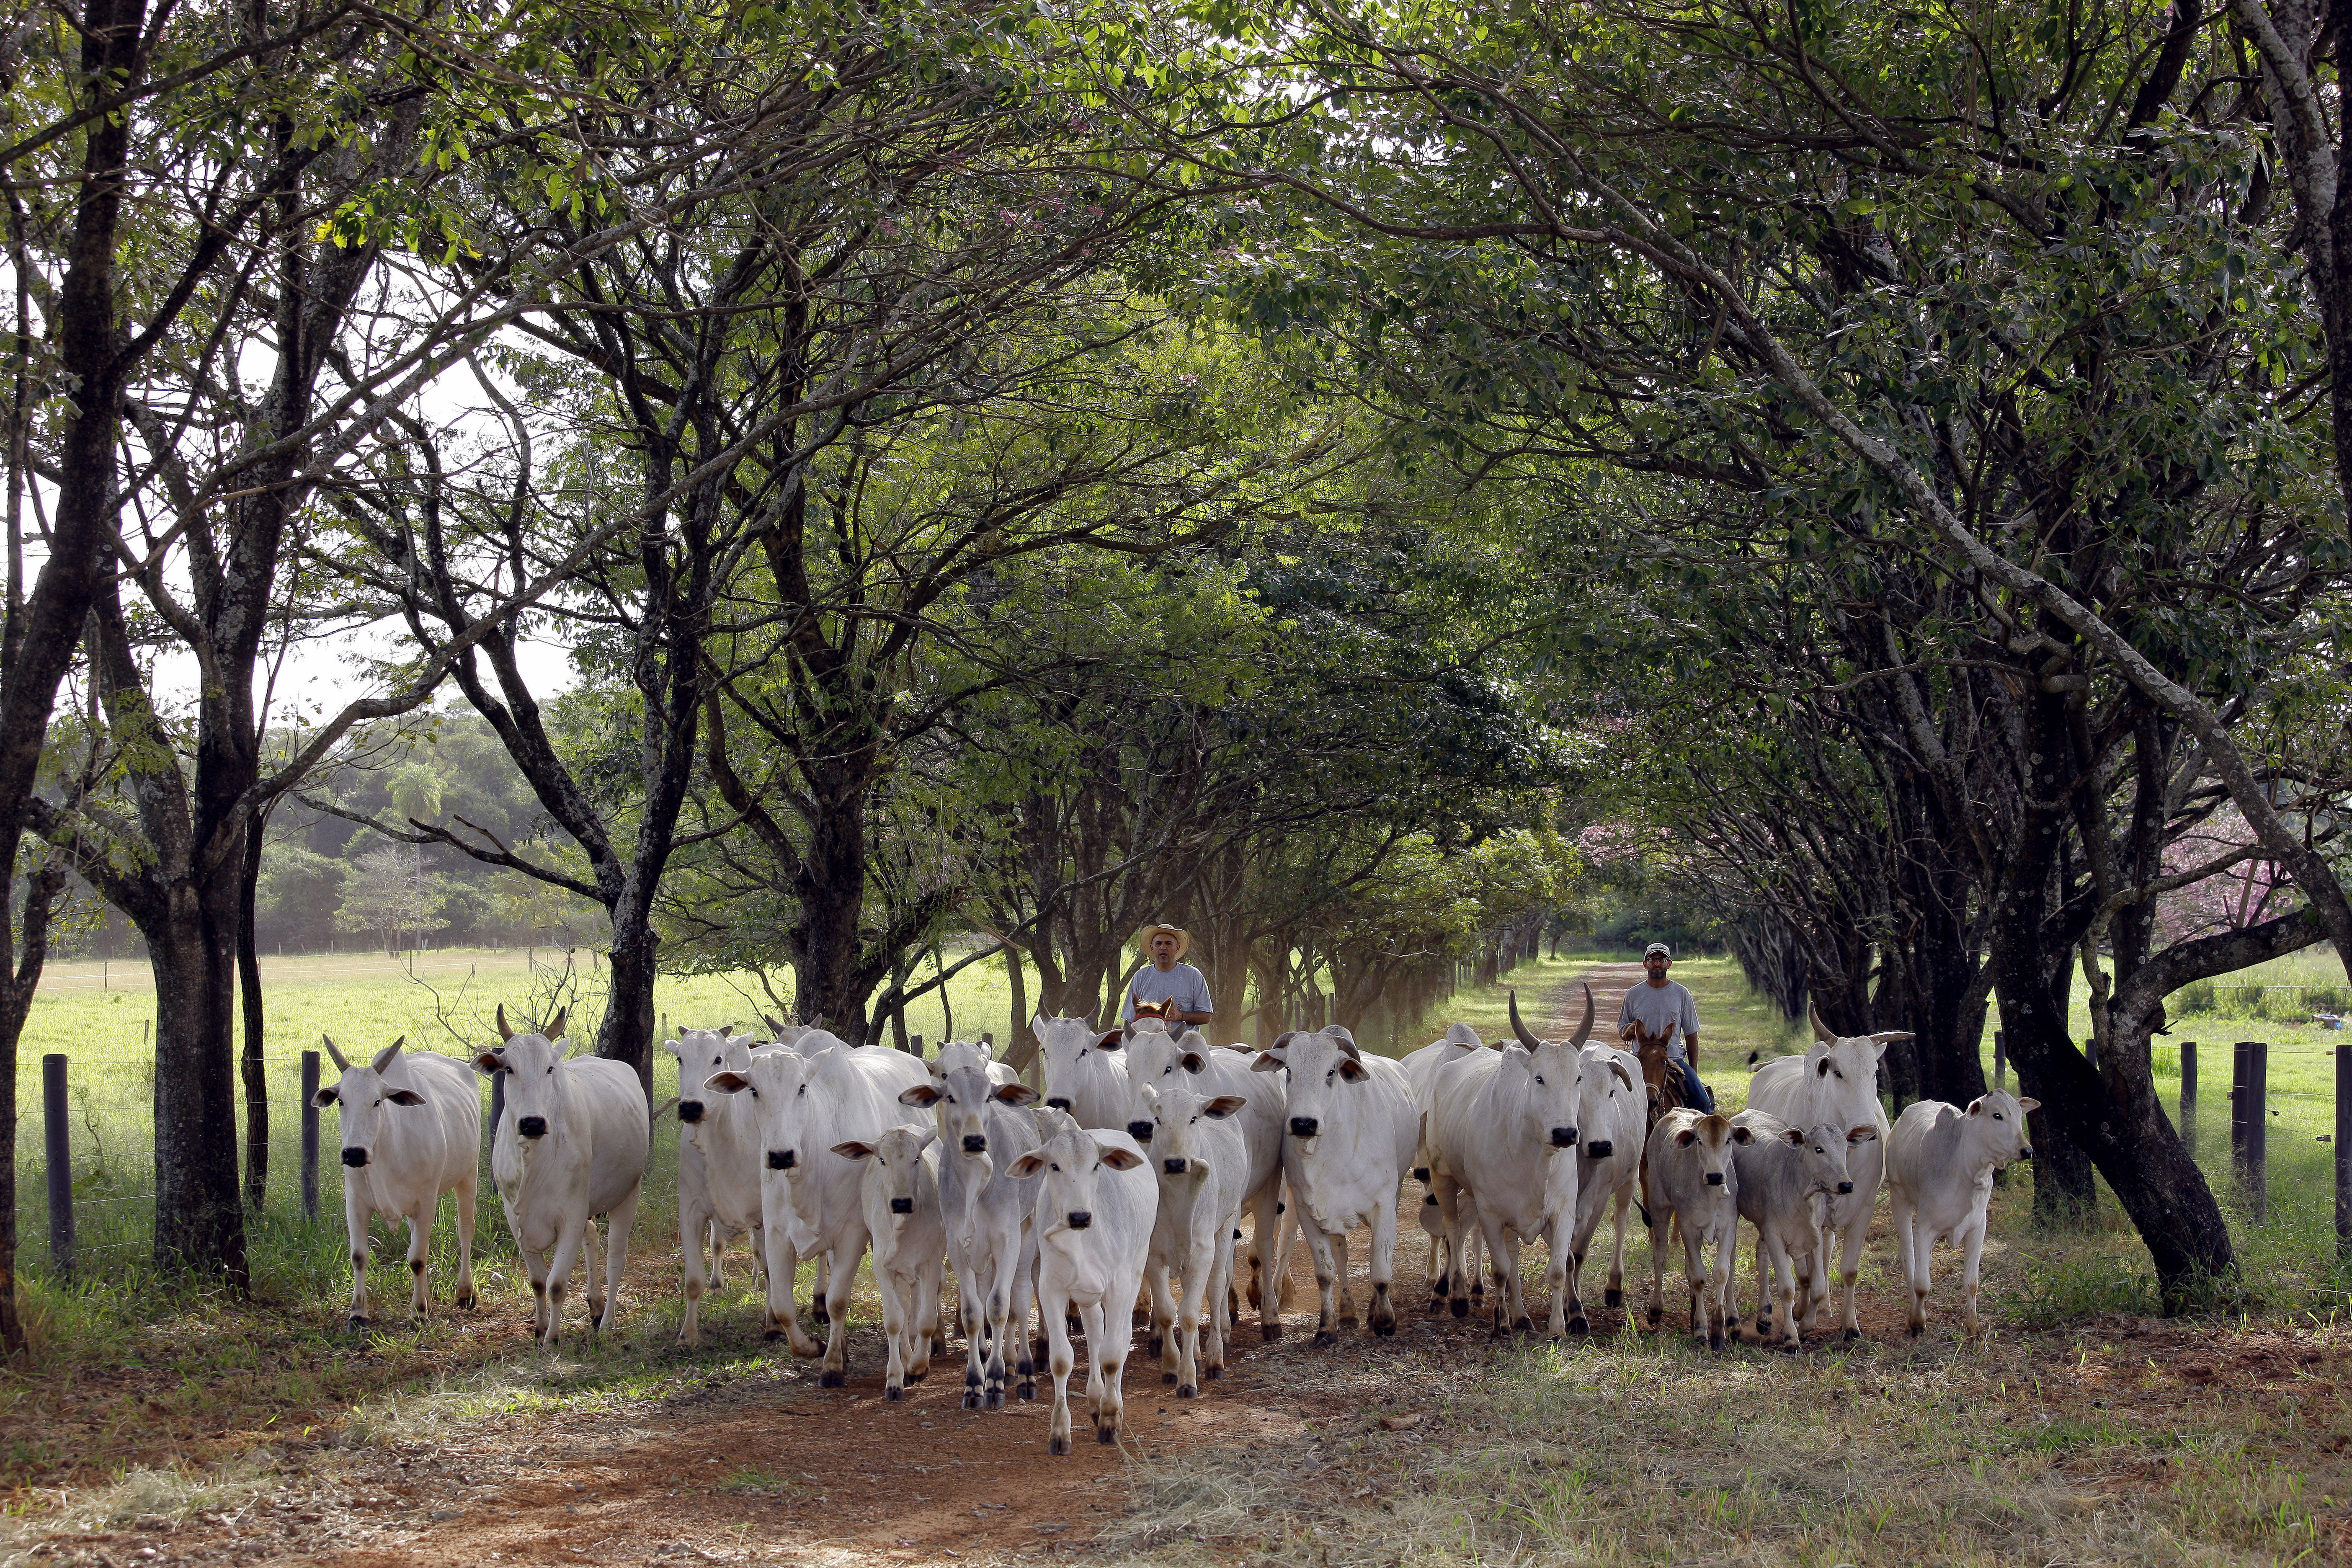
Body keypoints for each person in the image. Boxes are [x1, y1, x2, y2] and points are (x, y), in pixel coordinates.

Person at [1619, 941, 1712, 1113]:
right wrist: (1630, 1030)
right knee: (1616, 1096)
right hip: (1641, 1058)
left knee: (1702, 1102)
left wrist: (1693, 1071)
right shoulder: (1634, 994)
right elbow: (1622, 1030)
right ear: (1645, 964)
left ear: (1669, 964)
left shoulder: (1681, 993)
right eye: (1652, 959)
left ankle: (1699, 1138)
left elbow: (1692, 1035)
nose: (1657, 964)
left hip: (1673, 1058)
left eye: (1662, 959)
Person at [1122, 924, 1214, 1027]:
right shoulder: (1140, 977)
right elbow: (1130, 1018)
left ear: (1177, 948)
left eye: (1169, 944)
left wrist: (1182, 1016)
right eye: (1158, 943)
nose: (1163, 947)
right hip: (1149, 1041)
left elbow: (1206, 1016)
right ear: (1152, 948)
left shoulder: (1193, 975)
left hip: (1184, 1041)